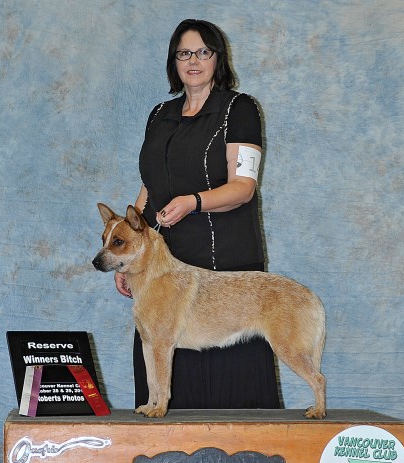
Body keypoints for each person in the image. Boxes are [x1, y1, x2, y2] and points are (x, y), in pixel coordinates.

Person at [115, 19, 281, 410]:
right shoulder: (159, 114)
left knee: (229, 390)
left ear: (218, 58)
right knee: (161, 368)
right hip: (160, 271)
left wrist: (194, 201)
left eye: (203, 52)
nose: (194, 61)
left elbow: (243, 187)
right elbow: (148, 189)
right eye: (184, 53)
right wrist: (128, 259)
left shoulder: (240, 109)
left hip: (224, 265)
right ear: (174, 61)